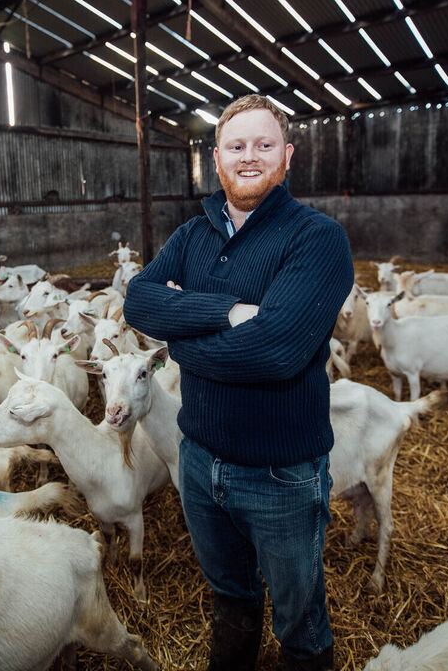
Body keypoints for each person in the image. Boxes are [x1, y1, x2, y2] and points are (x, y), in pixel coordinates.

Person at [123, 94, 353, 671]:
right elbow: (138, 300)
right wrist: (230, 314)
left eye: (264, 144)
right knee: (231, 600)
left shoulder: (316, 238)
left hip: (280, 472)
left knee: (299, 619)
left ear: (287, 155)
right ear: (217, 158)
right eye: (236, 146)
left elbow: (276, 352)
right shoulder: (192, 235)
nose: (249, 157)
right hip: (197, 461)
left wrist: (179, 338)